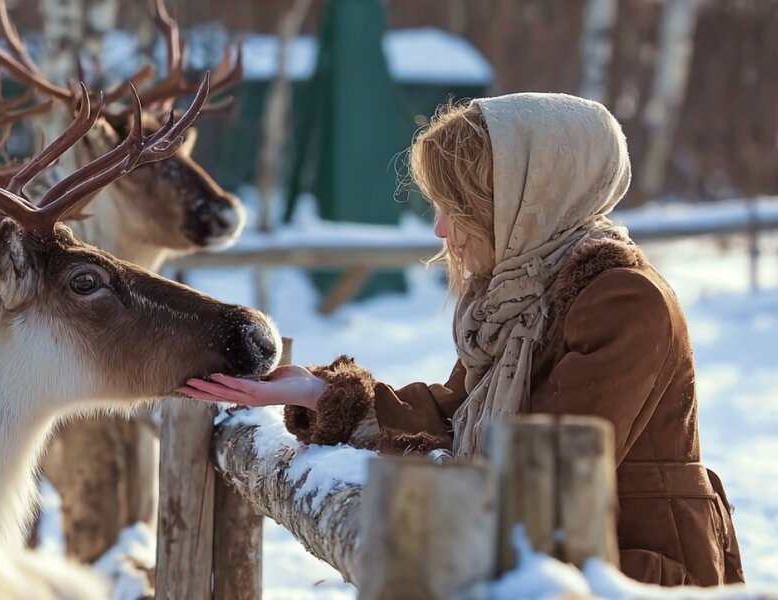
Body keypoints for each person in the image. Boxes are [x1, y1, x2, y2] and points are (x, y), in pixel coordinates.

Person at [182, 93, 745, 587]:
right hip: (563, 567)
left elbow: (545, 477)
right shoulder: (518, 298)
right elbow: (452, 414)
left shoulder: (623, 302)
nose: (440, 229)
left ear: (527, 199)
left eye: (459, 207)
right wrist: (319, 395)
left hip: (632, 572)